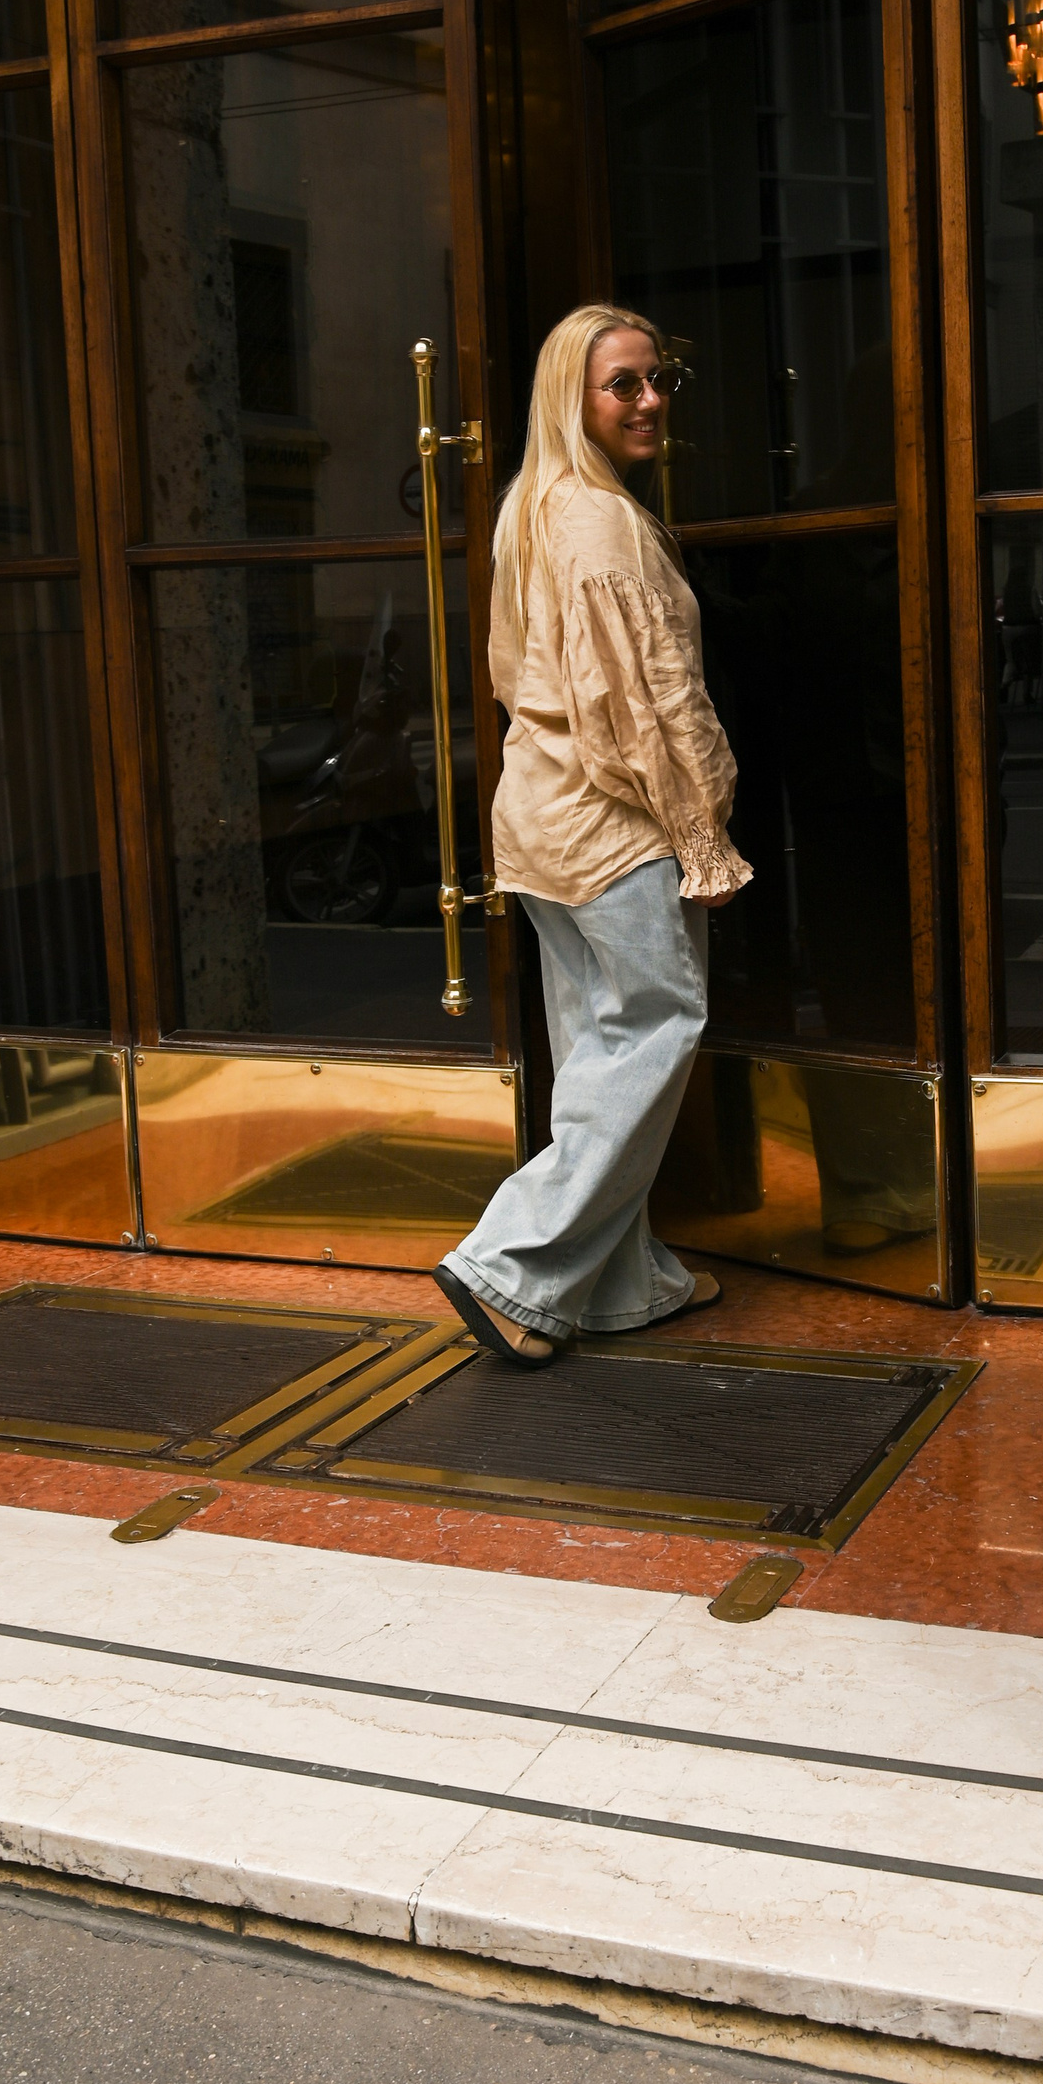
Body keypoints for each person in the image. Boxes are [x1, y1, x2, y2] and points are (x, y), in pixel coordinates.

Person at [432, 304, 752, 1366]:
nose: (651, 400)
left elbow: (517, 675)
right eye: (624, 384)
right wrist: (701, 836)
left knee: (595, 1054)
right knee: (655, 1028)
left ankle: (622, 1287)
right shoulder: (602, 524)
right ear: (572, 397)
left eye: (660, 379)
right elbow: (649, 704)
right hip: (614, 826)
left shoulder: (532, 506)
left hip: (541, 822)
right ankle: (510, 1264)